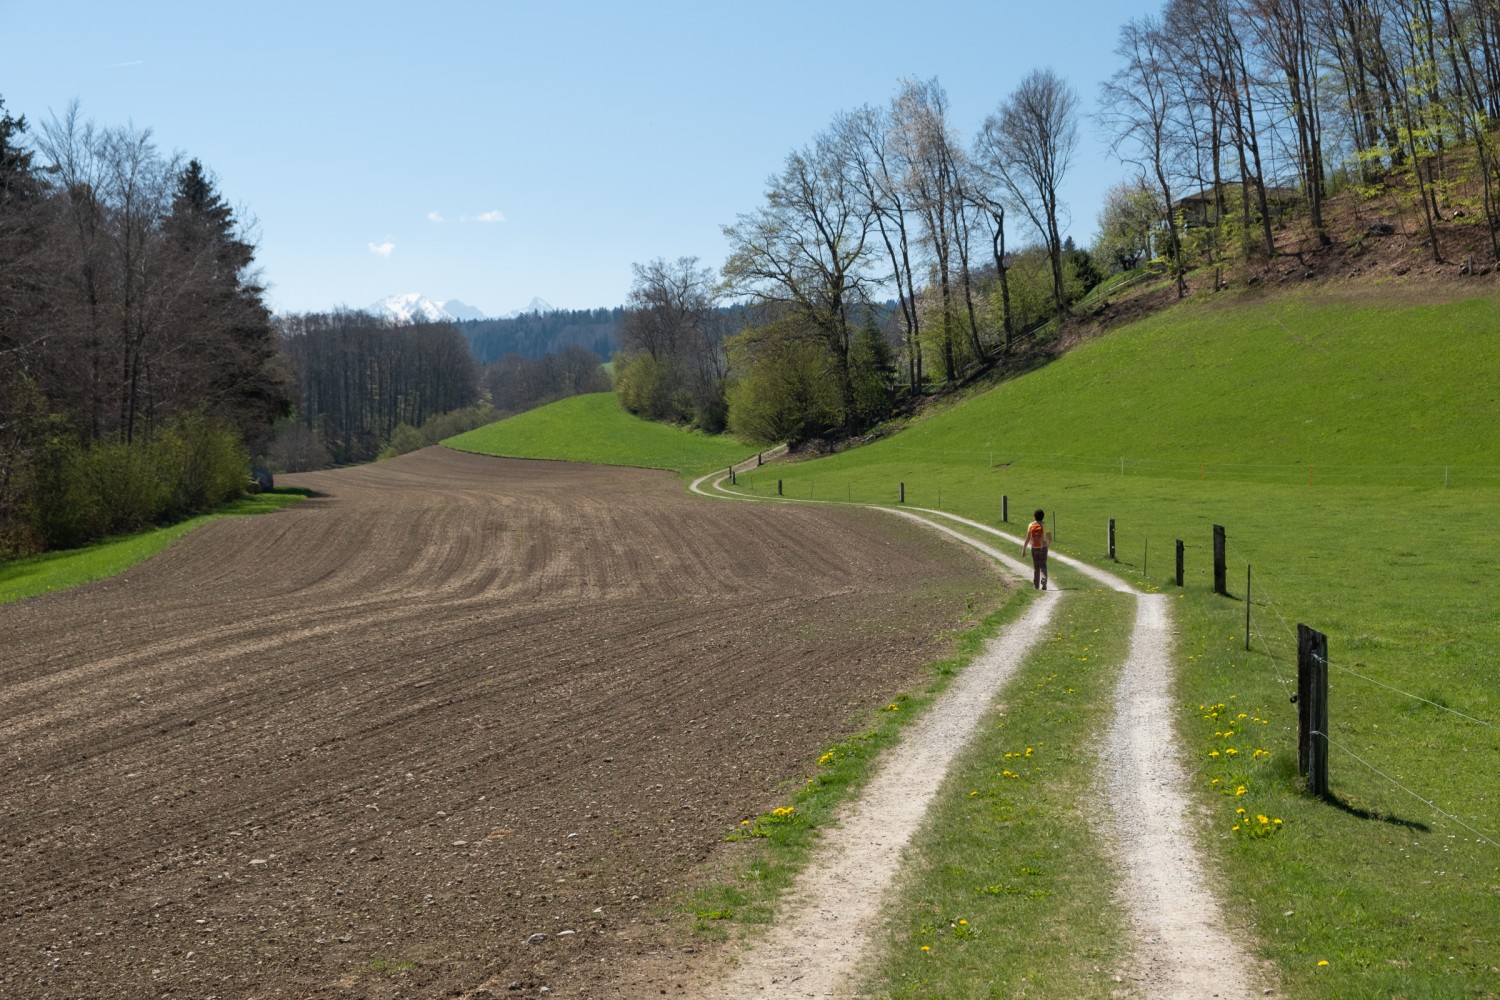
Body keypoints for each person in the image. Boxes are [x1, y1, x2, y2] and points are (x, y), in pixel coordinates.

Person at [1021, 509, 1051, 590]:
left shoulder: (1031, 525)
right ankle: (1044, 578)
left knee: (1036, 567)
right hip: (1043, 547)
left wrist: (1023, 550)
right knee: (1043, 565)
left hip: (1034, 548)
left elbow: (1028, 538)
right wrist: (1047, 546)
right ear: (1043, 517)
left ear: (1034, 516)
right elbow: (1049, 538)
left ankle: (1036, 586)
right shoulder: (1045, 525)